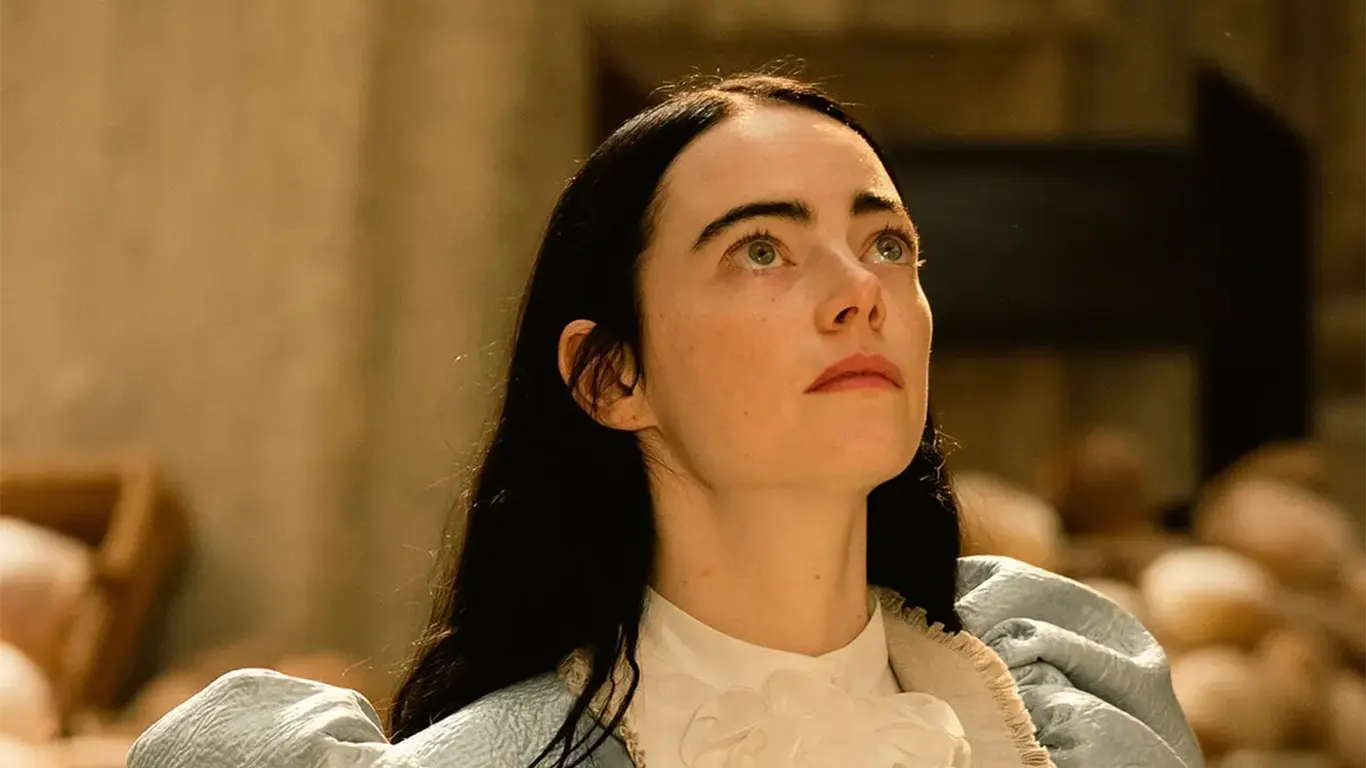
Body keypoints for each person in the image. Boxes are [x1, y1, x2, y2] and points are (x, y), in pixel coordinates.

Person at [127, 74, 1202, 768]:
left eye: (886, 245)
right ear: (610, 377)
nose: (857, 292)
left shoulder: (1065, 713)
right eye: (761, 251)